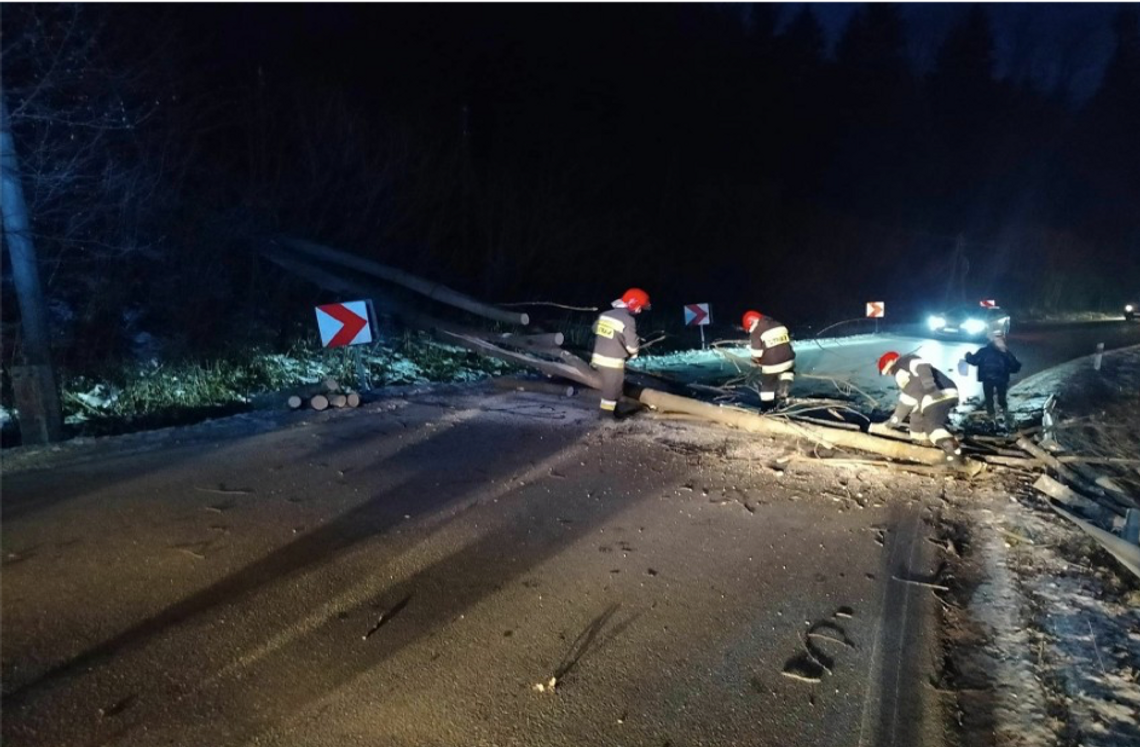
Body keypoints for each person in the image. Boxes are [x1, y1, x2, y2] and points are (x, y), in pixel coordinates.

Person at [873, 351, 963, 465]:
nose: (890, 374)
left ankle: (954, 457)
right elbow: (911, 398)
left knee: (932, 425)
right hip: (939, 394)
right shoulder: (906, 373)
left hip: (937, 394)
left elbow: (921, 369)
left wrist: (930, 387)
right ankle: (924, 443)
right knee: (918, 419)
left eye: (888, 372)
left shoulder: (904, 363)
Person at [591, 288, 650, 419]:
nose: (640, 311)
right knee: (613, 390)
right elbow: (632, 345)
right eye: (640, 307)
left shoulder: (604, 314)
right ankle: (606, 417)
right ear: (633, 304)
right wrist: (634, 352)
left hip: (598, 358)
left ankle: (612, 412)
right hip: (612, 361)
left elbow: (595, 329)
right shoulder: (628, 320)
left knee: (609, 387)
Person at [964, 330, 1021, 428]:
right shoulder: (1006, 352)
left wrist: (968, 355)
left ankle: (992, 416)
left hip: (987, 378)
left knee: (989, 398)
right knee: (1001, 397)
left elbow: (973, 360)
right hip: (1002, 378)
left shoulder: (984, 351)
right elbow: (1015, 366)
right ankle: (1005, 413)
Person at [743, 310, 795, 406]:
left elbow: (757, 354)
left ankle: (767, 407)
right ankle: (784, 389)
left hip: (772, 365)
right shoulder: (778, 324)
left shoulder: (756, 331)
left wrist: (756, 361)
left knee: (768, 384)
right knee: (788, 370)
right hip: (789, 359)